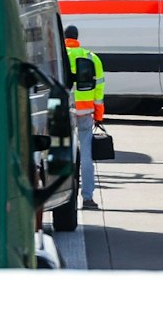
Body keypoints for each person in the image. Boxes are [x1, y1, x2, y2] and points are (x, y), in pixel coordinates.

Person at [64, 25, 104, 211]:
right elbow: (99, 92)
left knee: (61, 154)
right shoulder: (91, 58)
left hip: (62, 113)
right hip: (85, 113)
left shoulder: (58, 56)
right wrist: (99, 116)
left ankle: (62, 197)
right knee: (86, 156)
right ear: (77, 37)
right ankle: (88, 198)